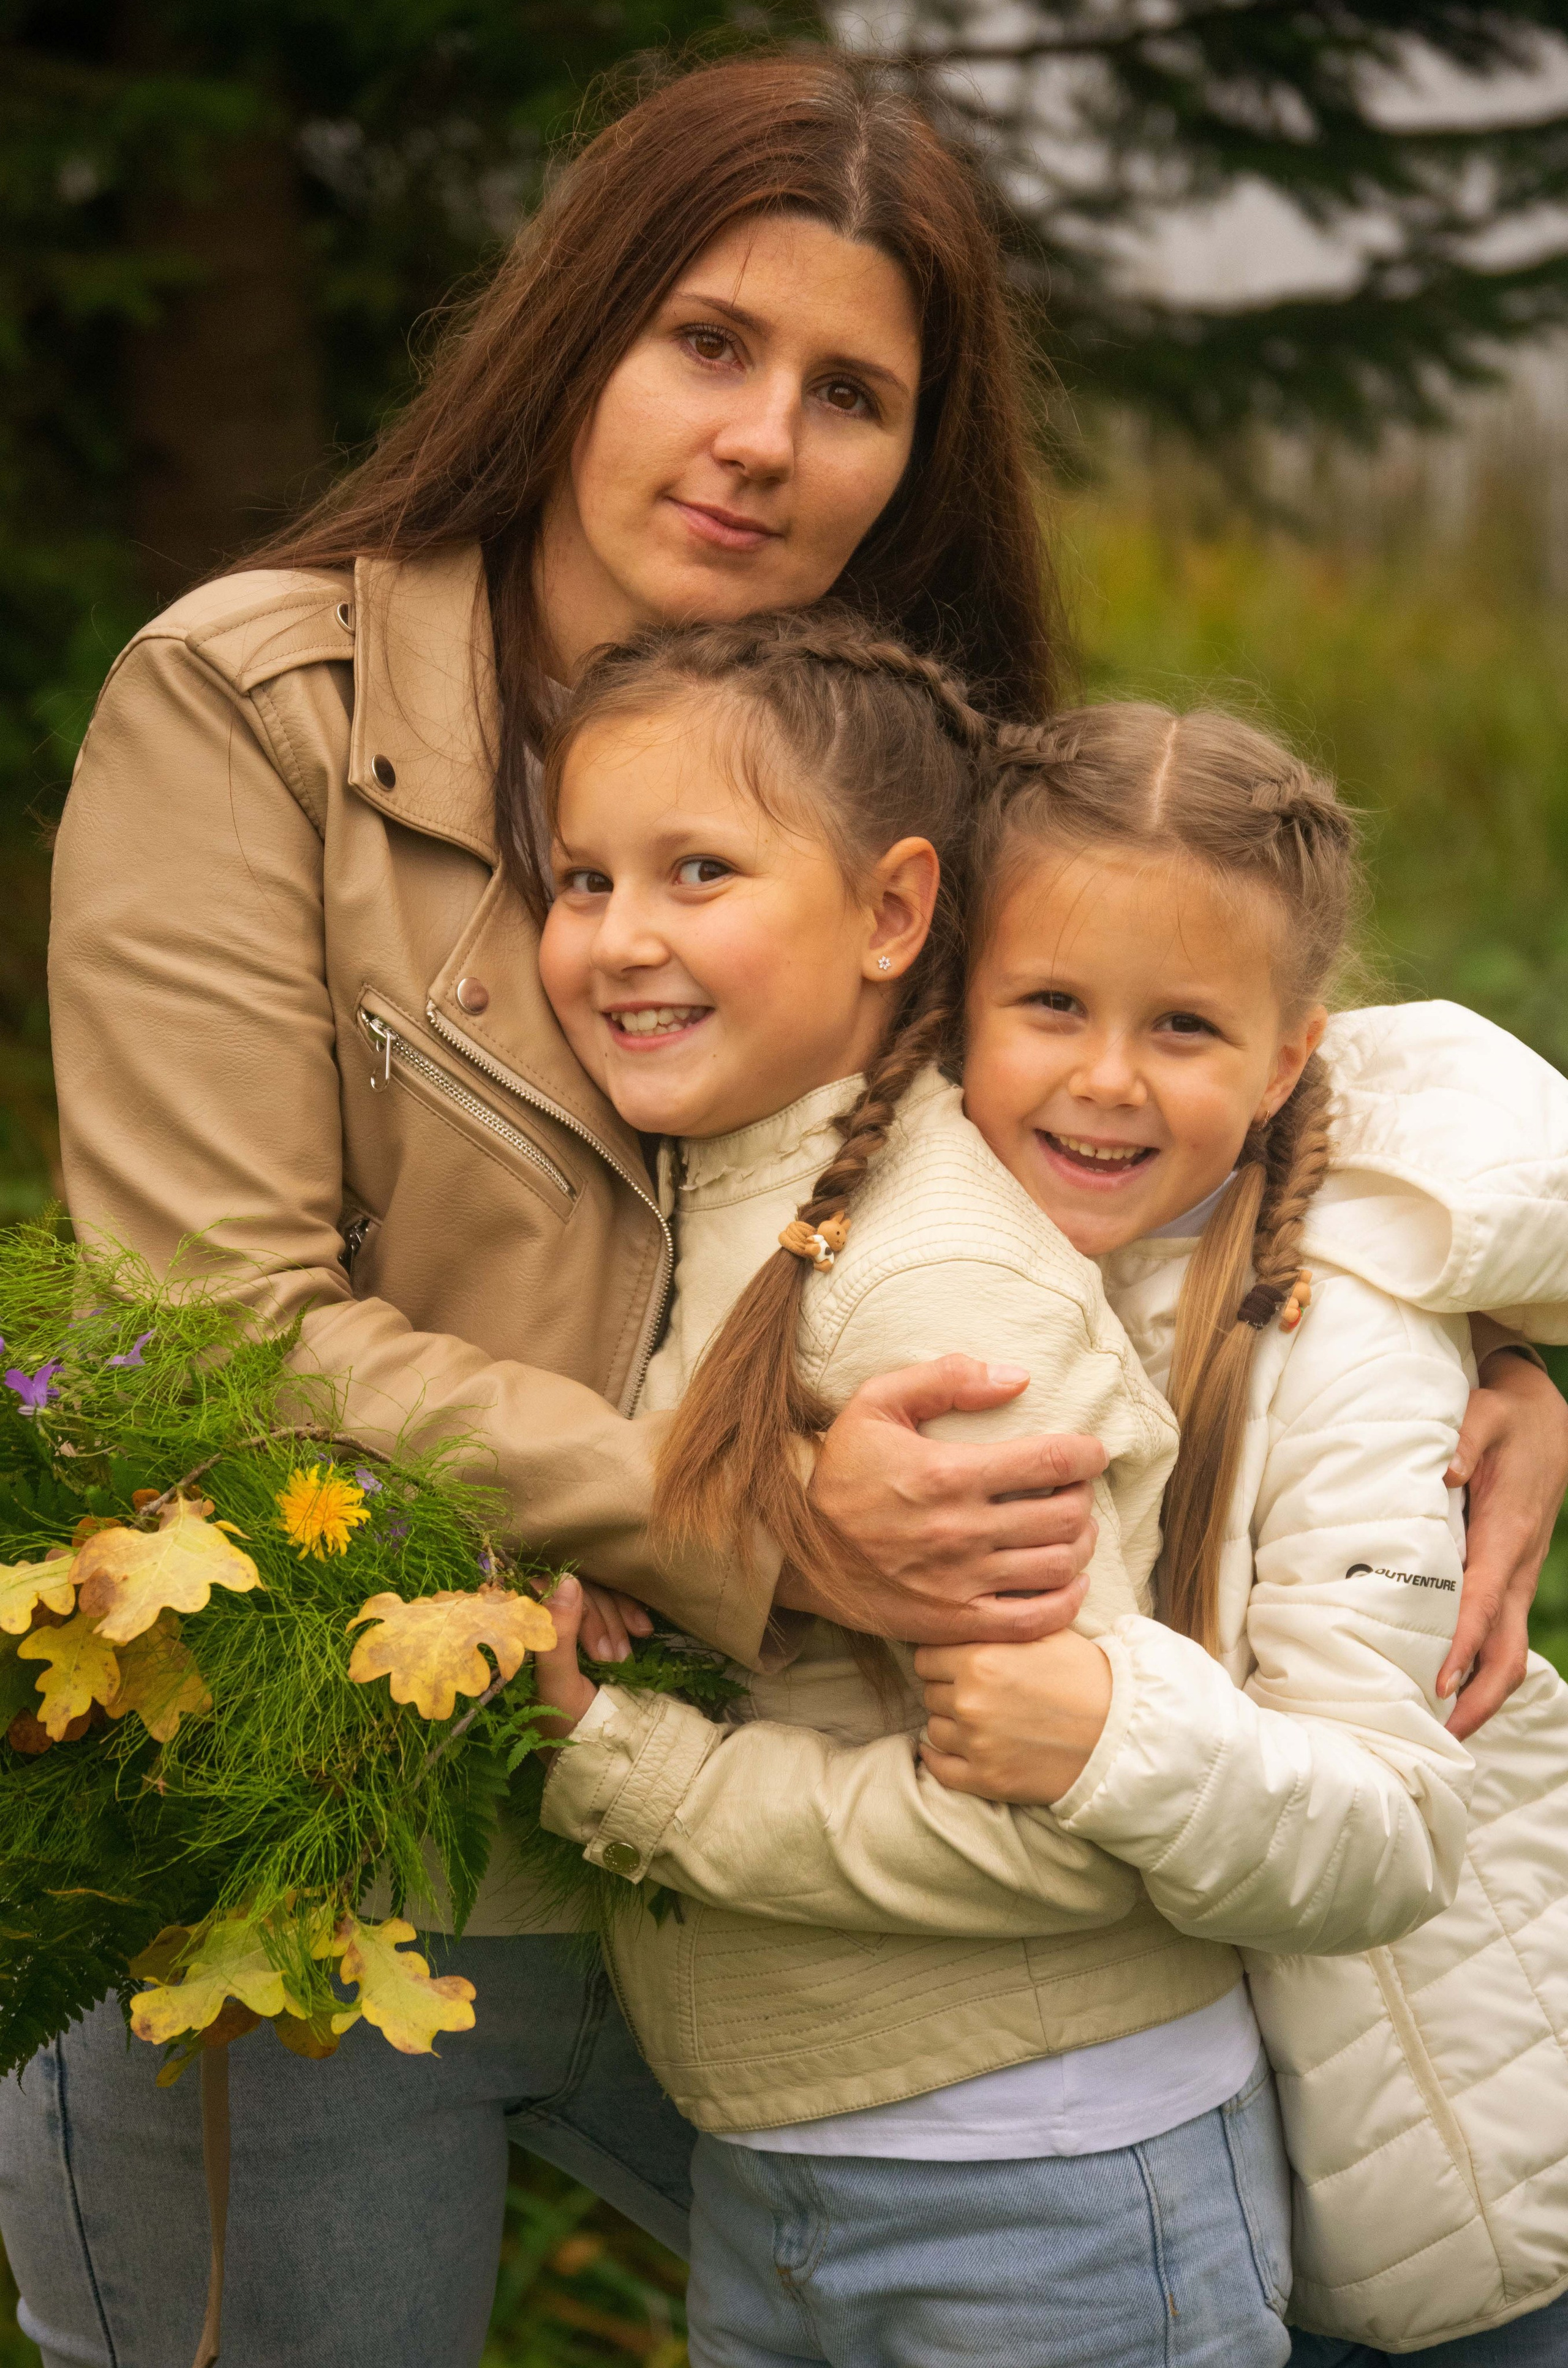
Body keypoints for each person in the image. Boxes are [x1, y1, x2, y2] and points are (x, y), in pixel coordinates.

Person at [8, 48, 1562, 2368]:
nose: (765, 439)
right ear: (575, 339)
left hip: (797, 1886)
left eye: (855, 392)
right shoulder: (257, 710)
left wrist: (1467, 1330)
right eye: (709, 345)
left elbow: (1183, 1051)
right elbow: (199, 1322)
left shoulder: (890, 752)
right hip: (342, 1827)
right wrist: (735, 1509)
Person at [529, 645, 1567, 2365]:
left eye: (1182, 1030)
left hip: (1432, 2160)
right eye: (1053, 1007)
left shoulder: (1346, 1327)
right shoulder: (903, 1224)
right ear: (947, 992)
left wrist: (1108, 1725)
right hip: (1164, 2113)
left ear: (1287, 1054)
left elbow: (1393, 1827)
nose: (1103, 1079)